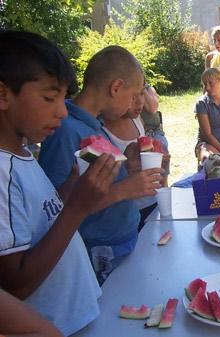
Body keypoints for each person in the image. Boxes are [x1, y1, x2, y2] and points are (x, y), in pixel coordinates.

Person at [0, 30, 120, 336]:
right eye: (49, 97)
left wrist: (70, 189)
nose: (63, 111)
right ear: (3, 95)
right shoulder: (3, 170)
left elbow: (42, 217)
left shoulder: (22, 153)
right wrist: (78, 208)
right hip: (57, 328)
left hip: (81, 316)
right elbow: (17, 284)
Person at [38, 46, 163, 284]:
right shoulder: (65, 132)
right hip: (98, 255)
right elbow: (54, 211)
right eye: (133, 95)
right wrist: (125, 188)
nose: (133, 105)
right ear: (116, 88)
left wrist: (128, 164)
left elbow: (95, 180)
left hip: (120, 244)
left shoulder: (93, 126)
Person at [102, 83, 168, 230]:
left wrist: (160, 161)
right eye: (133, 97)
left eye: (141, 94)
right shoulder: (102, 131)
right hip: (129, 212)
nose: (139, 102)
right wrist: (125, 168)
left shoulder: (137, 120)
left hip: (152, 200)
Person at [140, 85, 169, 152]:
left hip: (154, 131)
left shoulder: (149, 89)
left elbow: (152, 109)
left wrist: (142, 89)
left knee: (162, 148)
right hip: (137, 134)